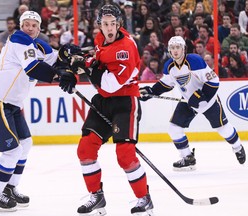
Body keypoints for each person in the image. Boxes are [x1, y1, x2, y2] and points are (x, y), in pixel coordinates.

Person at [0, 11, 78, 212]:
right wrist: (59, 76)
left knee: (25, 144)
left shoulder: (38, 45)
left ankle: (9, 187)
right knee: (12, 150)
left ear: (40, 29)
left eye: (33, 25)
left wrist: (69, 58)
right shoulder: (19, 39)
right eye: (26, 24)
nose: (29, 28)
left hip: (10, 104)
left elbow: (55, 60)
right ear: (20, 26)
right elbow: (33, 68)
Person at [72, 4, 153, 216]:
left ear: (119, 24)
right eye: (105, 24)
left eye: (113, 24)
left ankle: (143, 199)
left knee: (125, 155)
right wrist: (84, 62)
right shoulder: (100, 39)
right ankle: (96, 196)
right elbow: (97, 61)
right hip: (104, 102)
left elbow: (109, 83)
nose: (109, 28)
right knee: (85, 150)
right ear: (100, 25)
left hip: (125, 102)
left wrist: (86, 67)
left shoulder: (126, 48)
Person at [139, 36, 246, 171]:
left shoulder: (195, 61)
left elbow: (213, 82)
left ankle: (237, 147)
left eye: (178, 47)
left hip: (208, 101)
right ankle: (188, 157)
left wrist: (200, 96)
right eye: (172, 48)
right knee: (174, 128)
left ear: (184, 49)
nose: (175, 51)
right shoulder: (169, 66)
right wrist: (151, 92)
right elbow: (165, 85)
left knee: (222, 129)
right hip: (188, 101)